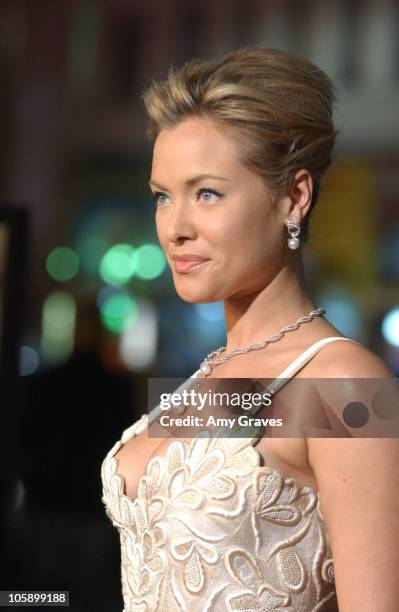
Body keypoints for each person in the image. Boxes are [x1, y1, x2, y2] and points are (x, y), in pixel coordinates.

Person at [101, 47, 399, 611]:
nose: (175, 228)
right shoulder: (209, 374)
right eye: (163, 197)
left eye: (206, 193)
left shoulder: (346, 385)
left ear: (295, 197)